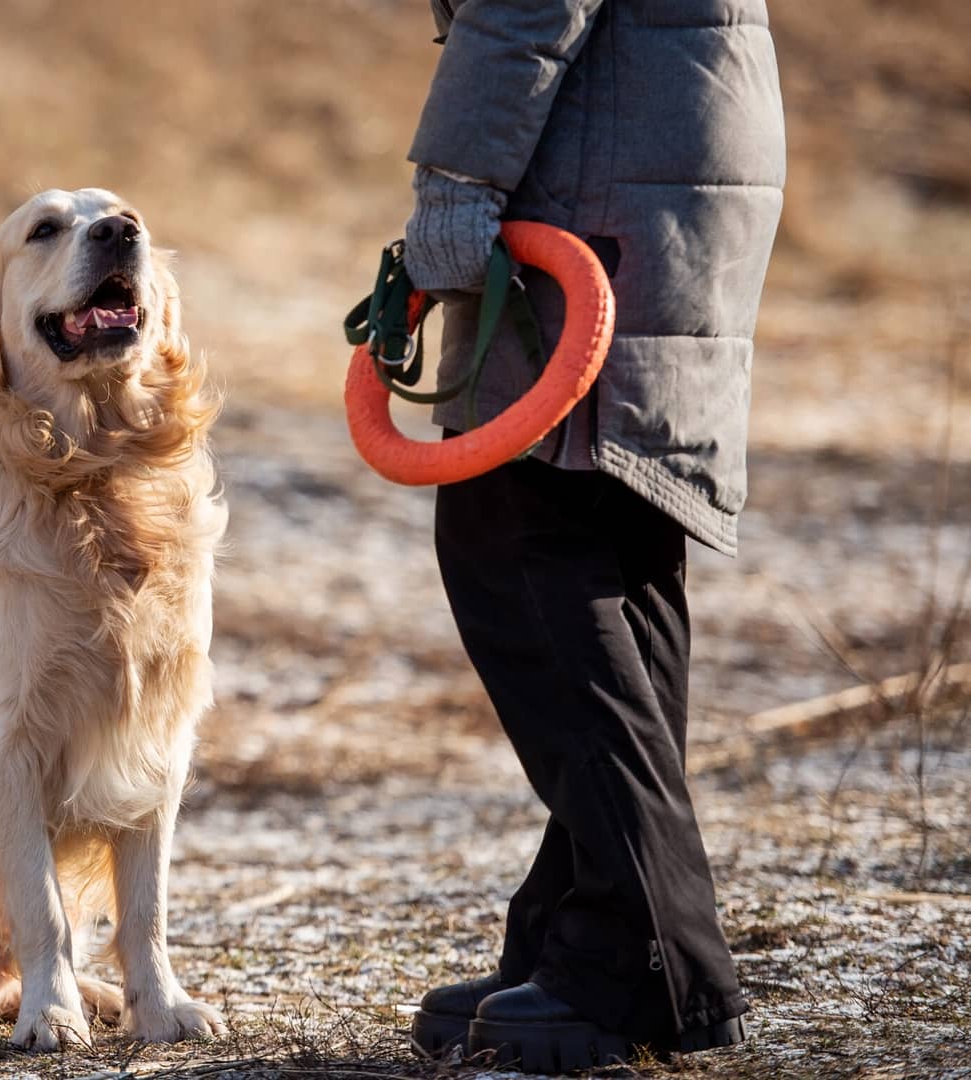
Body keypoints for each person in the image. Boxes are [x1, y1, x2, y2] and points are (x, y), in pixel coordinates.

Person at [397, 0, 785, 1073]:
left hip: (601, 162)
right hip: (671, 142)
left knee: (520, 525)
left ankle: (638, 957)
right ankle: (576, 930)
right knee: (616, 544)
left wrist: (456, 180)